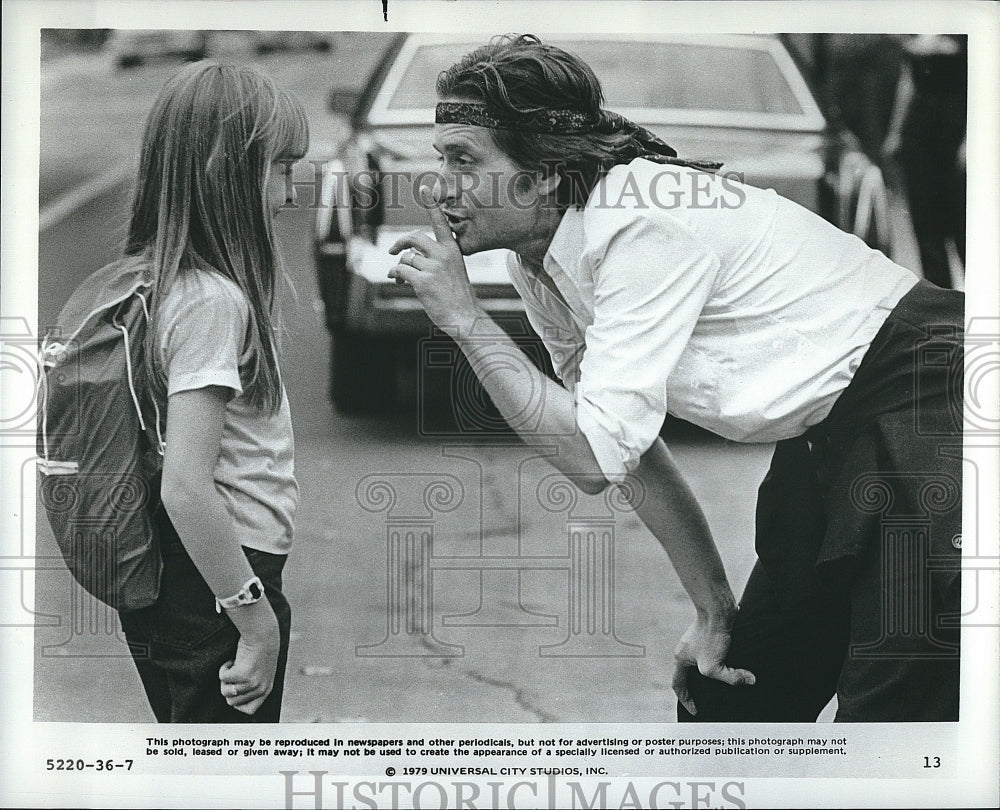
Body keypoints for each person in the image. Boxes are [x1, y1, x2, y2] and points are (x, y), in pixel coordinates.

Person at [388, 35, 963, 722]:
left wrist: (465, 319)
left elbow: (591, 457)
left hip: (932, 405)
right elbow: (619, 446)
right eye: (439, 159)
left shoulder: (637, 224)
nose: (438, 185)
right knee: (731, 693)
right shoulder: (540, 255)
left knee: (894, 728)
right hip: (830, 433)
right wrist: (712, 606)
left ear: (542, 173)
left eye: (463, 160)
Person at [115, 61, 307, 722]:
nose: (289, 193)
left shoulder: (154, 282)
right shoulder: (211, 303)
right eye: (281, 169)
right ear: (226, 171)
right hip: (220, 582)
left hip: (191, 580)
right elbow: (187, 486)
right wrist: (255, 621)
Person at [883, 34, 967, 289]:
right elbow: (907, 82)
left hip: (955, 132)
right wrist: (895, 133)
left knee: (962, 221)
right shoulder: (916, 36)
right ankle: (943, 302)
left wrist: (971, 139)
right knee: (925, 219)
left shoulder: (969, 35)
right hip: (919, 135)